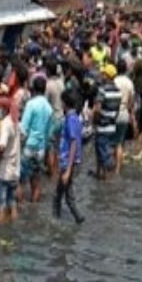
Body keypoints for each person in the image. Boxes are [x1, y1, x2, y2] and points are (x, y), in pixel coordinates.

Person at [54, 88, 86, 224]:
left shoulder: (71, 119)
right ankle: (59, 218)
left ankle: (61, 220)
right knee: (61, 194)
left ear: (65, 103)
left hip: (69, 162)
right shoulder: (72, 118)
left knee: (64, 195)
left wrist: (67, 169)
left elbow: (73, 143)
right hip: (68, 161)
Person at [19, 76, 53, 202]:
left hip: (28, 146)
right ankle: (34, 208)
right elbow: (48, 132)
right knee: (36, 180)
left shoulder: (31, 104)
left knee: (21, 181)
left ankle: (18, 209)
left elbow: (23, 128)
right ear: (44, 89)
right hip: (41, 148)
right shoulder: (49, 108)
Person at [0, 94, 20, 224]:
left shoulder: (5, 124)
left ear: (4, 109)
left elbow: (1, 147)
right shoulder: (15, 122)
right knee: (12, 204)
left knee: (0, 207)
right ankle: (12, 229)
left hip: (3, 172)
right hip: (14, 172)